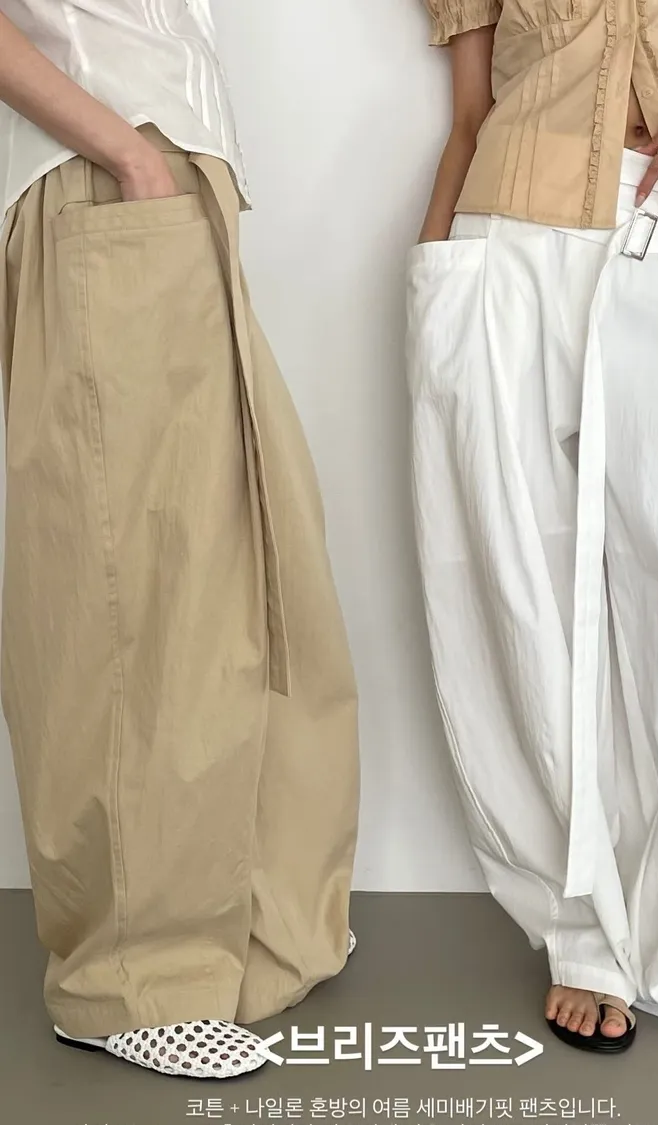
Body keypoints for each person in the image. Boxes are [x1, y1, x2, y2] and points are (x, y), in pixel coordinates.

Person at [0, 0, 359, 1079]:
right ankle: (127, 983)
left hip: (168, 185)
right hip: (104, 171)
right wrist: (126, 154)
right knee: (129, 588)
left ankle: (252, 931)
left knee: (248, 572)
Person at [408, 0, 658, 1052]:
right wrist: (437, 279)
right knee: (512, 594)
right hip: (507, 244)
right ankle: (580, 934)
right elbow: (471, 113)